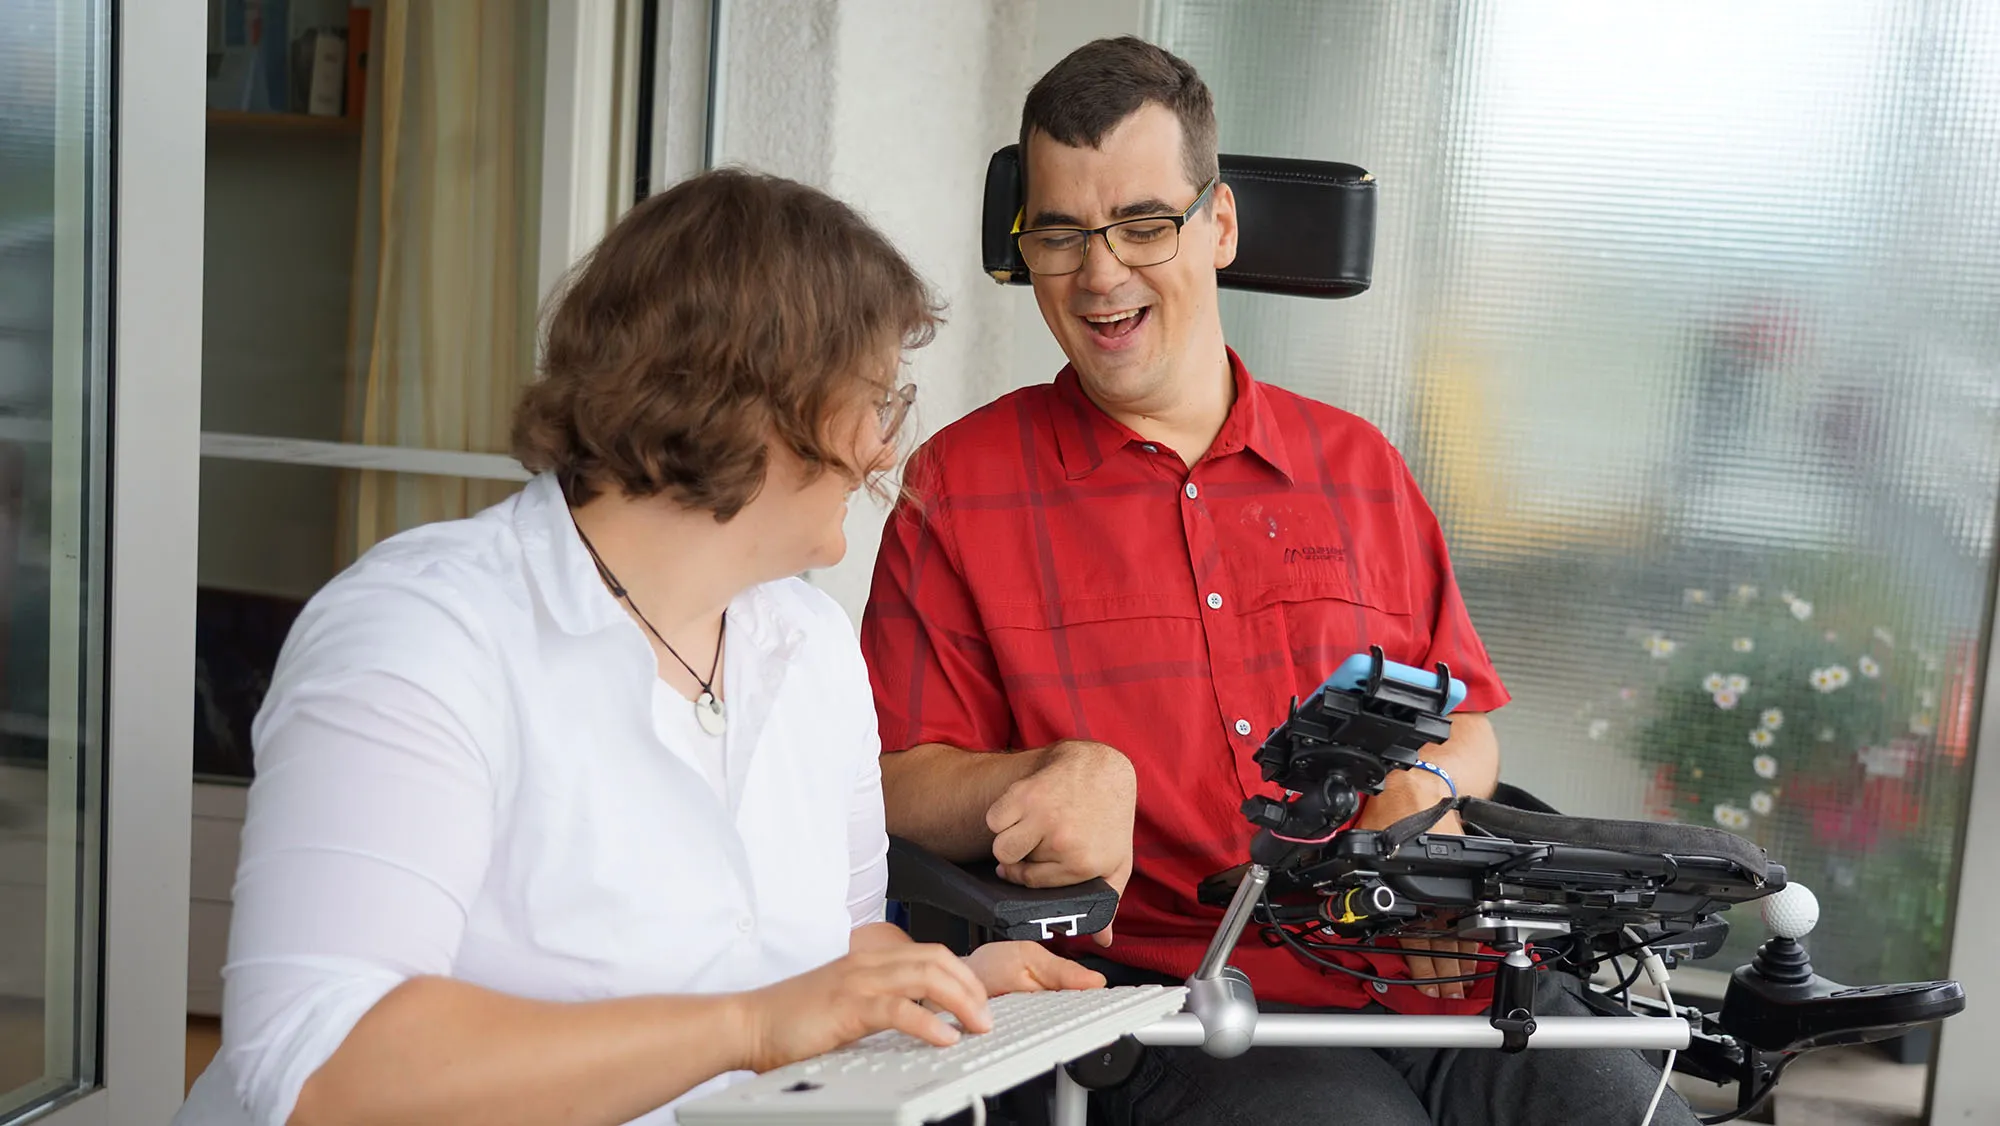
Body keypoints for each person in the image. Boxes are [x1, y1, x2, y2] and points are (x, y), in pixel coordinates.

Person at [861, 37, 1700, 1126]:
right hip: (1169, 1002)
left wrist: (1431, 790)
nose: (1099, 272)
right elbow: (885, 785)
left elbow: (1469, 723)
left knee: (1628, 1111)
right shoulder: (960, 487)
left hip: (1428, 972)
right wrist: (1043, 773)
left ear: (1217, 226)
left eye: (1142, 226)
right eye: (1060, 233)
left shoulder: (1356, 468)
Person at [175, 168, 1103, 1126]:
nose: (884, 446)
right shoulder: (421, 635)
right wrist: (745, 1024)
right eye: (876, 400)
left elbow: (824, 978)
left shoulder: (813, 648)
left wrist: (944, 988)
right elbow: (324, 1071)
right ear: (758, 400)